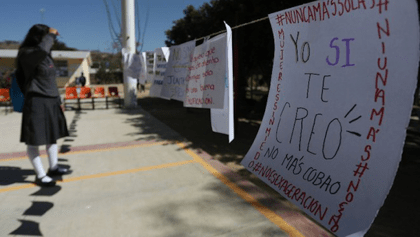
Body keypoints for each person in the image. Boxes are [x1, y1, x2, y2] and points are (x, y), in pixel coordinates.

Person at [16, 24, 70, 187]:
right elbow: (40, 50)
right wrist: (51, 35)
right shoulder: (27, 54)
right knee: (34, 140)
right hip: (36, 100)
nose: (50, 41)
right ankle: (40, 175)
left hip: (51, 100)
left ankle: (53, 168)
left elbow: (51, 81)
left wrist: (58, 101)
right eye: (45, 37)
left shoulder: (46, 55)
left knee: (51, 137)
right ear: (38, 37)